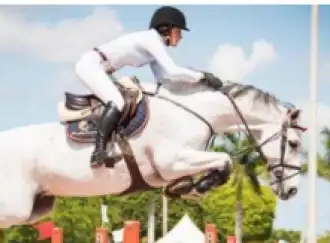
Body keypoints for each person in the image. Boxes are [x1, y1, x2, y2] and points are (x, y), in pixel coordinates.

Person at [76, 6, 223, 167]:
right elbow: (172, 70)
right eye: (179, 32)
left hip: (101, 68)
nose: (180, 37)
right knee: (118, 102)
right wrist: (202, 76)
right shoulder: (151, 39)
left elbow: (164, 78)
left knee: (125, 99)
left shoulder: (153, 45)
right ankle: (98, 152)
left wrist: (196, 87)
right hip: (91, 65)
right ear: (168, 29)